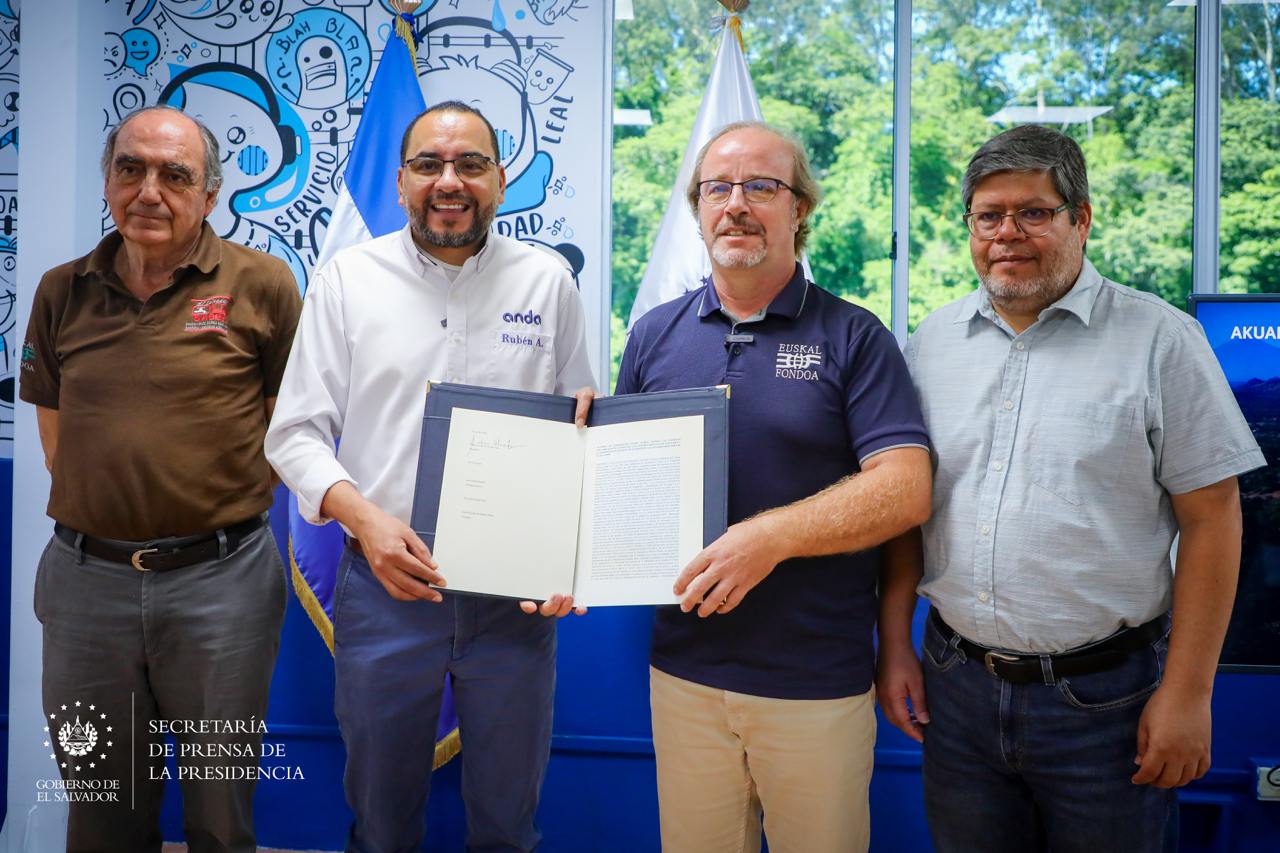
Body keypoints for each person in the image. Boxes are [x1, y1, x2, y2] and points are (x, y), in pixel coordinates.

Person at [880, 124, 1267, 853]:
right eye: (988, 215)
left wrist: (1189, 692)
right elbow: (908, 506)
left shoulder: (1161, 340)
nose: (1007, 233)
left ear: (1081, 219)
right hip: (955, 688)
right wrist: (894, 644)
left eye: (1034, 212)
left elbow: (1214, 519)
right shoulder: (930, 343)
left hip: (1107, 700)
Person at [264, 101, 596, 853]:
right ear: (402, 180)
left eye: (471, 164)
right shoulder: (349, 278)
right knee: (380, 822)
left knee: (509, 822)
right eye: (430, 165)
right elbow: (295, 434)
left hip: (513, 602)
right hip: (383, 587)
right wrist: (368, 522)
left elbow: (580, 426)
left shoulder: (548, 284)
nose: (451, 181)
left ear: (500, 180)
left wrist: (570, 552)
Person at [615, 121, 932, 853]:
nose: (736, 204)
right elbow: (620, 489)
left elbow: (905, 490)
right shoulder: (653, 336)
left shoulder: (855, 337)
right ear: (697, 209)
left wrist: (772, 537)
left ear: (799, 209)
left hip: (814, 683)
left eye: (762, 186)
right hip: (684, 677)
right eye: (718, 188)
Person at [19, 105, 302, 853]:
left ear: (209, 194)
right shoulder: (60, 292)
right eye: (130, 168)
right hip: (87, 586)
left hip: (222, 585)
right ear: (108, 182)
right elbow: (57, 438)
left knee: (219, 812)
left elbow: (287, 430)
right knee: (102, 808)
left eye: (174, 175)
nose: (149, 190)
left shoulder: (264, 286)